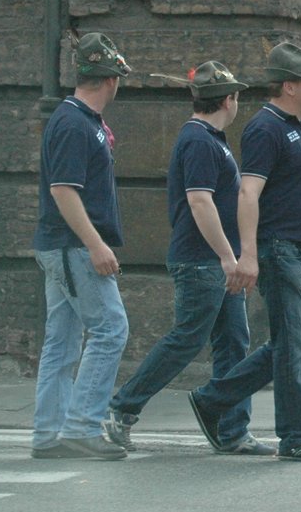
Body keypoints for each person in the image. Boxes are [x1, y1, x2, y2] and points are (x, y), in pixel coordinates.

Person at [104, 62, 271, 454]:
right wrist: (228, 257)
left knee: (233, 343)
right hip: (202, 261)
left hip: (213, 261)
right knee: (187, 339)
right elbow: (200, 202)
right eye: (236, 97)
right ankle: (121, 410)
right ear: (228, 100)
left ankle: (232, 430)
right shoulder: (198, 140)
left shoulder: (210, 138)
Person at [186, 43, 301, 462]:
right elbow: (248, 193)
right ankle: (295, 437)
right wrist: (248, 254)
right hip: (277, 251)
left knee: (289, 344)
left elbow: (296, 195)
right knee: (291, 347)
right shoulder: (265, 128)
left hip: (297, 248)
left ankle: (213, 399)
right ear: (289, 86)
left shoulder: (297, 127)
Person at [30, 33, 133, 460]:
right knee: (112, 329)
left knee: (64, 341)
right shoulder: (75, 124)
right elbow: (64, 192)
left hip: (62, 245)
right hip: (74, 247)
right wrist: (96, 245)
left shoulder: (76, 120)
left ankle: (50, 434)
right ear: (111, 80)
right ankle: (81, 426)